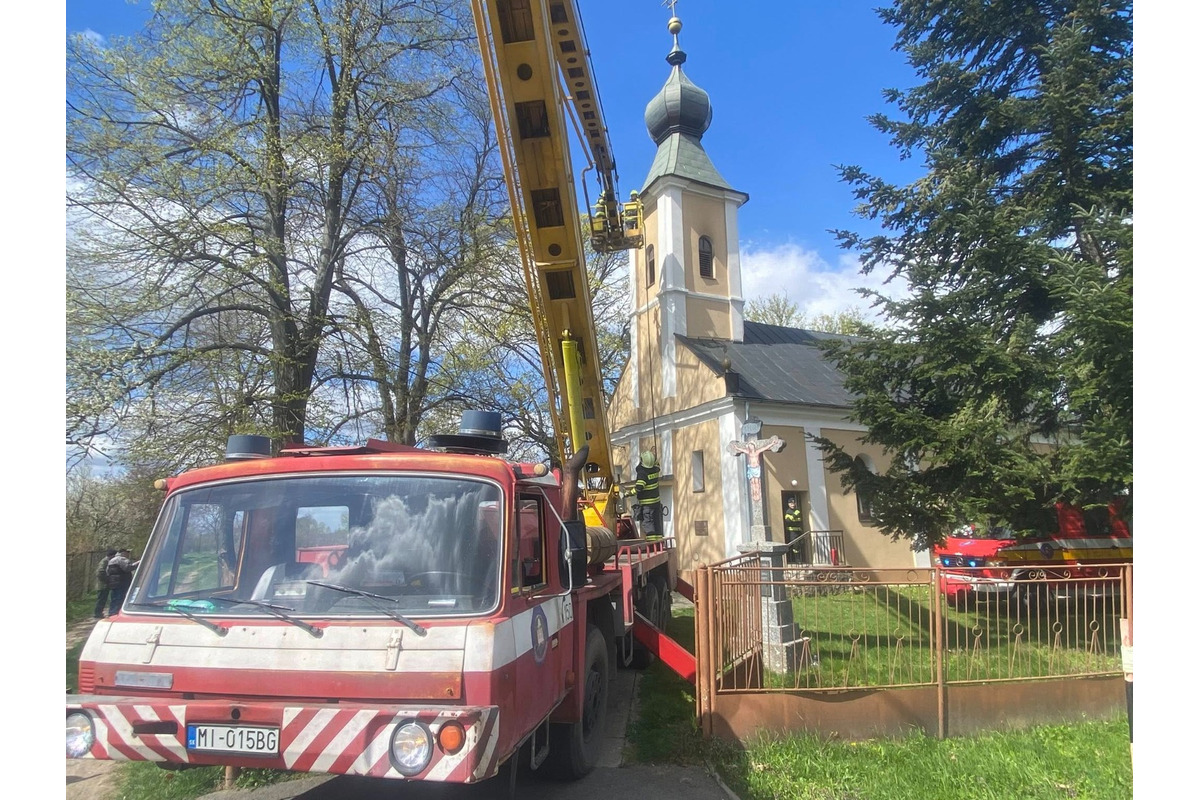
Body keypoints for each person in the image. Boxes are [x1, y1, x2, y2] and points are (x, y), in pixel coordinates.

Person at [626, 451, 663, 539]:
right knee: (657, 521)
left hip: (647, 504)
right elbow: (657, 464)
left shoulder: (642, 473)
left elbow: (639, 487)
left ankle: (651, 543)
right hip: (656, 502)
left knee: (648, 522)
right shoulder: (656, 469)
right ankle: (658, 541)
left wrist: (628, 493)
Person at [106, 548, 139, 617]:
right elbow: (128, 568)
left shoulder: (111, 560)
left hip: (113, 583)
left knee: (114, 598)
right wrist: (139, 563)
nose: (128, 554)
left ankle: (112, 612)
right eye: (127, 552)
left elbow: (107, 572)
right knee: (120, 598)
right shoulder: (122, 559)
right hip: (122, 582)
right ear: (123, 553)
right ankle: (117, 613)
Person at [783, 497, 808, 565]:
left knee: (801, 544)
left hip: (799, 531)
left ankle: (800, 559)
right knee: (795, 545)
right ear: (788, 504)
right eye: (791, 503)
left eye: (793, 503)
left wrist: (794, 518)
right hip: (792, 532)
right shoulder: (788, 512)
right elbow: (789, 521)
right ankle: (797, 560)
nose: (793, 504)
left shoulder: (797, 511)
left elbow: (799, 521)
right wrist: (794, 515)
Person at [93, 548, 116, 618]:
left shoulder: (107, 561)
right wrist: (108, 580)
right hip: (102, 585)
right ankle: (97, 613)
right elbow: (100, 572)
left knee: (103, 599)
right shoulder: (104, 561)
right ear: (111, 555)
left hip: (104, 585)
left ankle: (99, 612)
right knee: (101, 599)